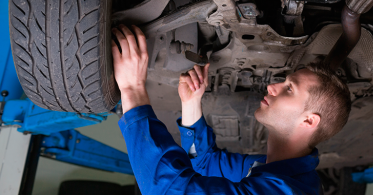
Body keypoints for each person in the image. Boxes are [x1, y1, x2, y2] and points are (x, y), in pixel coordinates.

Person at [112, 24, 352, 195]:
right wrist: (191, 104)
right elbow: (204, 164)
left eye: (289, 89)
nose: (271, 86)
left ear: (309, 121)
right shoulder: (273, 170)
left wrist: (132, 89)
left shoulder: (285, 190)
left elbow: (166, 190)